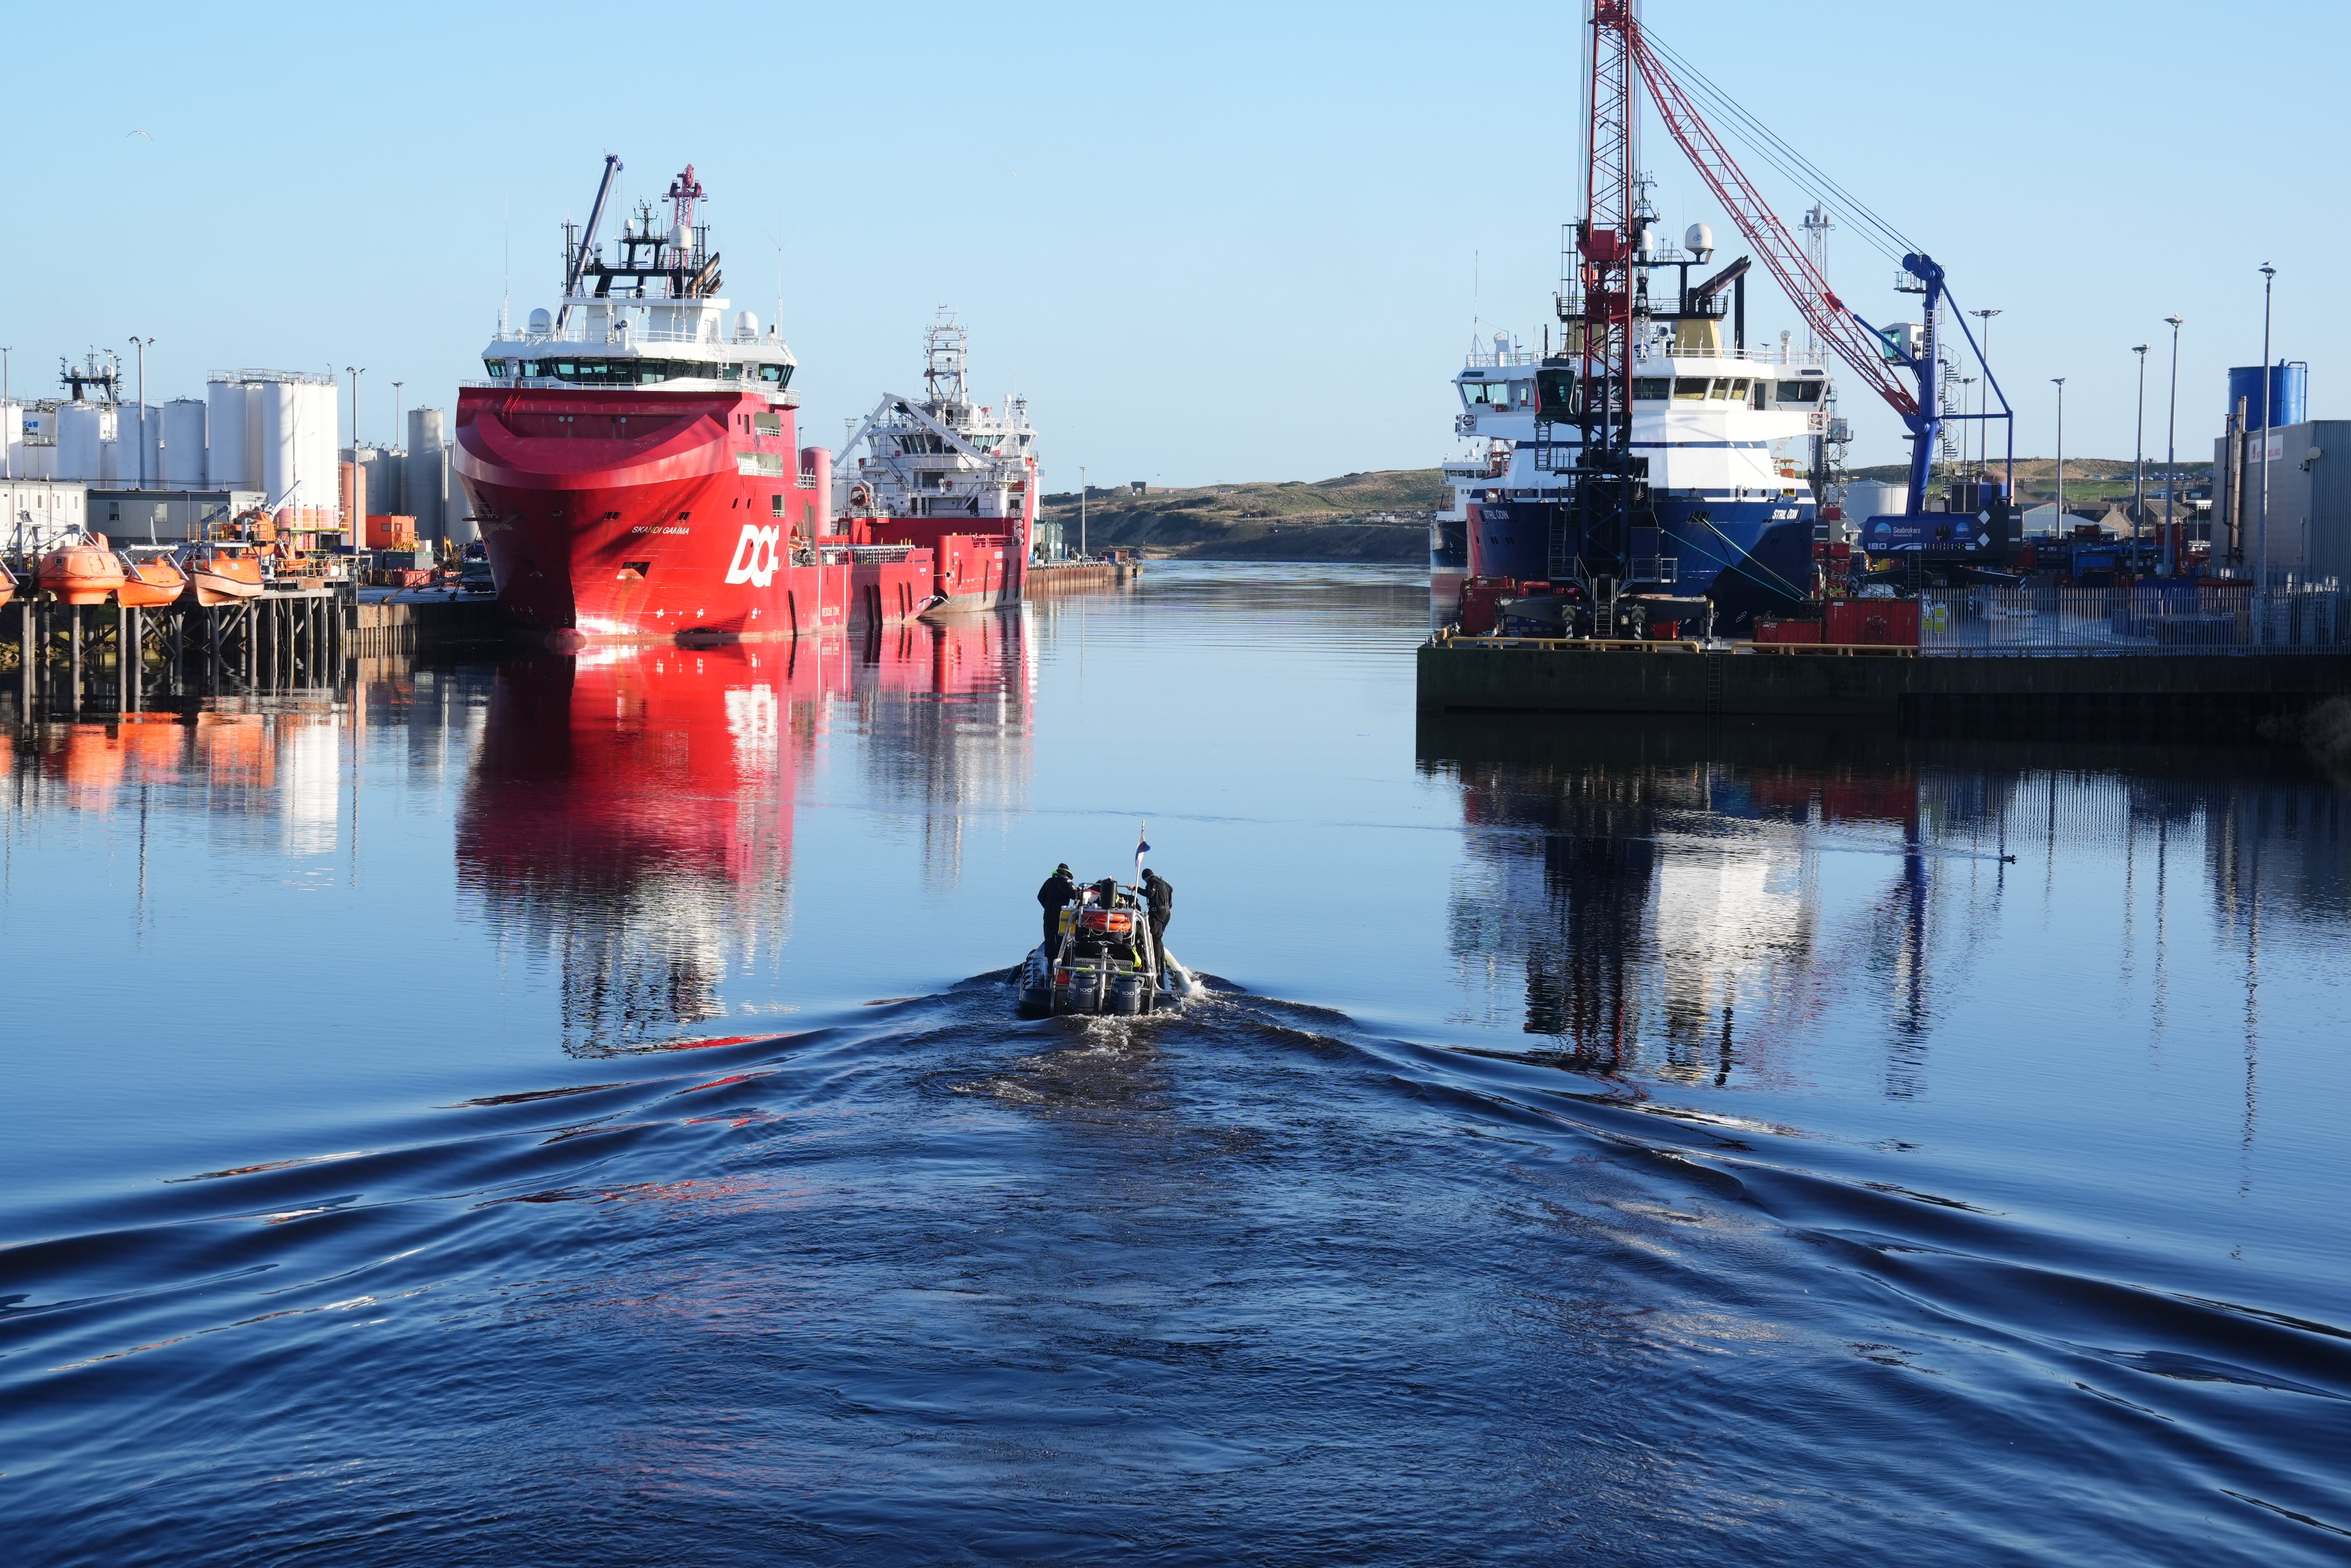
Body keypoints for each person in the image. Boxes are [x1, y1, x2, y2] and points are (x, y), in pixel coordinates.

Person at [1140, 867, 1173, 973]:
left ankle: (1157, 968)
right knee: (1159, 938)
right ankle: (1163, 965)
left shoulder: (1153, 882)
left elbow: (1149, 894)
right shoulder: (1164, 883)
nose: (1146, 882)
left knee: (1155, 940)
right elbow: (1171, 890)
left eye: (1145, 880)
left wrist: (1136, 889)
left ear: (1146, 878)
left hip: (1158, 915)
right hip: (1167, 914)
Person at [1037, 864, 1077, 949]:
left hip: (1048, 913)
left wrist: (1047, 907)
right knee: (1061, 937)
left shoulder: (1049, 881)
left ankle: (1049, 961)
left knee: (1049, 938)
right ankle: (1059, 958)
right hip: (1061, 915)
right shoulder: (1067, 883)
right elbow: (1075, 896)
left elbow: (1040, 897)